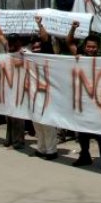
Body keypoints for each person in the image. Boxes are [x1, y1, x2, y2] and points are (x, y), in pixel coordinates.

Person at [66, 21, 101, 170]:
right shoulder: (80, 58)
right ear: (85, 47)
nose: (91, 49)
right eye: (88, 46)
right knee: (82, 131)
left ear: (98, 48)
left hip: (98, 102)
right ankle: (85, 156)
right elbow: (69, 41)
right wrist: (73, 28)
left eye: (93, 47)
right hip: (83, 102)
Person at [0, 12, 27, 149]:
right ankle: (9, 140)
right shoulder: (8, 48)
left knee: (18, 116)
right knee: (9, 115)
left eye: (13, 42)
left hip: (19, 88)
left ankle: (19, 142)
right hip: (8, 87)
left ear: (18, 43)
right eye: (10, 42)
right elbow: (0, 35)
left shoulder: (24, 53)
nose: (11, 44)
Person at [26, 16, 59, 161]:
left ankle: (51, 150)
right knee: (36, 121)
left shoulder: (47, 52)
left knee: (47, 122)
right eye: (34, 46)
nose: (36, 48)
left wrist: (40, 25)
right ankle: (41, 148)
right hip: (34, 92)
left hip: (47, 92)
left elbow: (45, 38)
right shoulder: (29, 54)